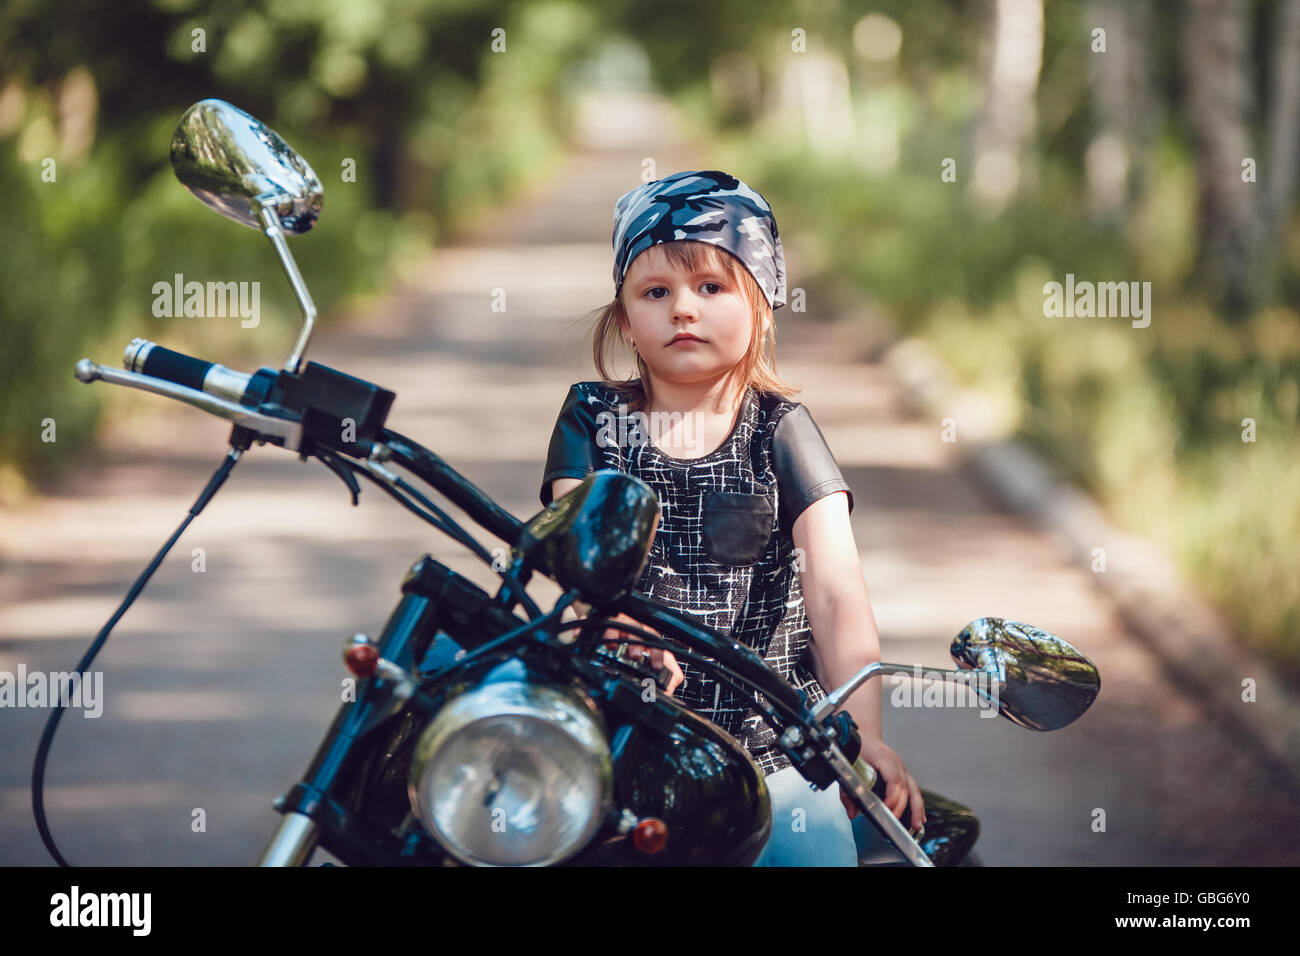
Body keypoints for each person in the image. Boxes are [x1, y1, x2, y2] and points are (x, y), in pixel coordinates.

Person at [538, 169, 924, 866]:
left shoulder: (781, 431)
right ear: (625, 317)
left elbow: (836, 593)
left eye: (712, 288)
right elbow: (576, 549)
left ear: (762, 306)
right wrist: (618, 626)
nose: (683, 309)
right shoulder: (593, 421)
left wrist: (861, 732)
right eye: (656, 292)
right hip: (621, 742)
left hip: (776, 756)